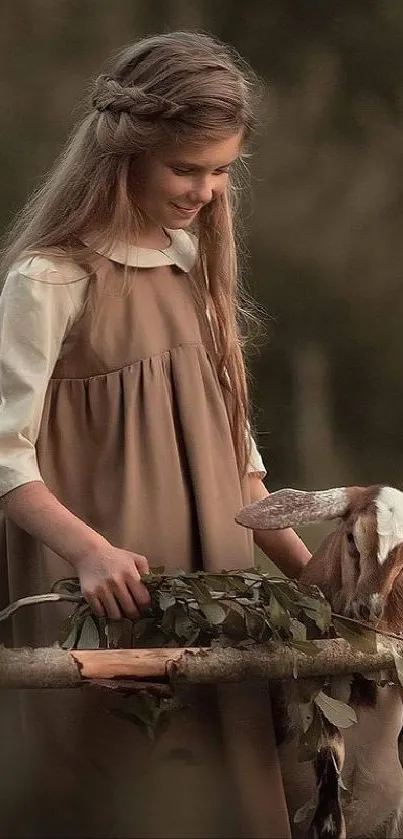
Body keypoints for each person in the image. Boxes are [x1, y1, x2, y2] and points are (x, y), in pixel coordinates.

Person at [0, 31, 311, 838]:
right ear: (126, 154)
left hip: (215, 605)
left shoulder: (194, 274)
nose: (206, 190)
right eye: (187, 168)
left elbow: (242, 478)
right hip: (110, 607)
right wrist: (90, 551)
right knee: (123, 801)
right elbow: (4, 453)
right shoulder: (52, 277)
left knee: (226, 800)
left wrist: (321, 586)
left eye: (221, 171)